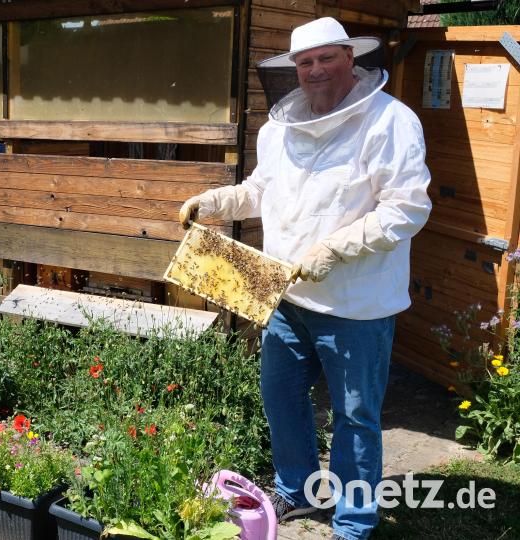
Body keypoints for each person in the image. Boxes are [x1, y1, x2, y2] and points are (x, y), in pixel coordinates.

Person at [178, 17, 431, 540]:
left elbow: (407, 208)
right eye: (304, 62)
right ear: (293, 69)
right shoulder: (278, 128)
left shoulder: (390, 121)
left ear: (350, 57)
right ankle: (295, 489)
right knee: (281, 398)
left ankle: (354, 521)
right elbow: (260, 189)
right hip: (285, 295)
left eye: (326, 58)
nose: (315, 70)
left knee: (355, 417)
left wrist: (336, 248)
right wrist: (214, 202)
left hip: (356, 306)